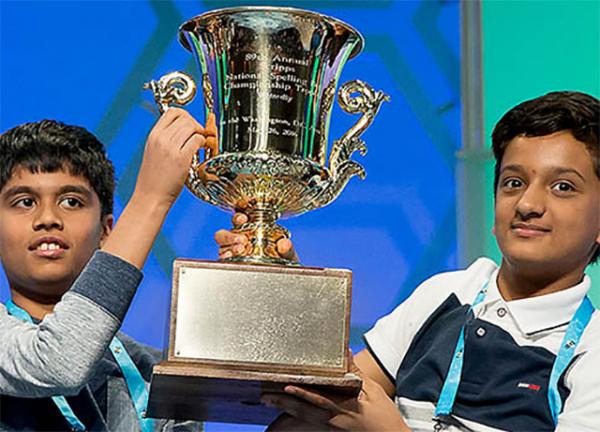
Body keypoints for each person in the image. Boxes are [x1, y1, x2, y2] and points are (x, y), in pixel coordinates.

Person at [215, 91, 600, 431]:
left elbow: (368, 417)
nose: (528, 205)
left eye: (562, 187)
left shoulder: (591, 351)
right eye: (513, 182)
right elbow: (327, 399)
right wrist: (282, 283)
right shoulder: (448, 293)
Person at [0, 110, 214, 430]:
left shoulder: (157, 373)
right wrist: (150, 199)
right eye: (24, 202)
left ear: (106, 231)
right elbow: (60, 362)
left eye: (71, 201)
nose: (47, 218)